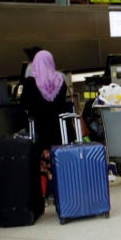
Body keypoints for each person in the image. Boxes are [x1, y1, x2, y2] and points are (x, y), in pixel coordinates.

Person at [19, 50, 72, 196]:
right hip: (58, 129)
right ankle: (61, 187)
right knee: (58, 159)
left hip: (39, 130)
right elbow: (62, 103)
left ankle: (44, 190)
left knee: (41, 160)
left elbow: (24, 104)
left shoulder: (30, 82)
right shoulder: (60, 80)